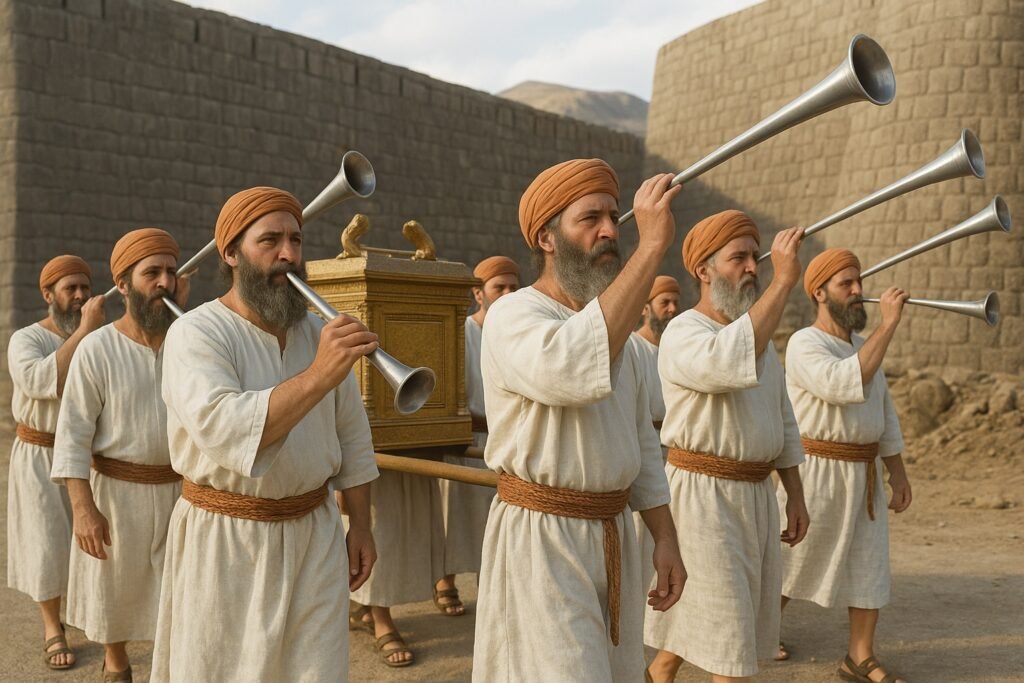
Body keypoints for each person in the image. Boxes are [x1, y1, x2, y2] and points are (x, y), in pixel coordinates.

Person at [152, 187, 379, 681]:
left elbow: (352, 436)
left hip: (315, 536)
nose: (290, 255)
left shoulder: (316, 334)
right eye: (270, 240)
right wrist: (320, 373)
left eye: (296, 240)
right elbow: (224, 426)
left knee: (313, 670)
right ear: (231, 253)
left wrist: (359, 524)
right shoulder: (196, 333)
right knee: (225, 669)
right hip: (226, 543)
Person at [473, 159, 686, 682]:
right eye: (590, 218)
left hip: (613, 536)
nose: (610, 230)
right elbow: (567, 369)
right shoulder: (513, 314)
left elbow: (640, 444)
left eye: (615, 216)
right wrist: (652, 248)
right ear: (547, 237)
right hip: (542, 542)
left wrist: (665, 537)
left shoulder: (627, 347)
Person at [645, 210, 809, 682]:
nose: (754, 268)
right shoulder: (684, 331)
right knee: (730, 638)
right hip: (702, 499)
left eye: (756, 259)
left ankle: (658, 672)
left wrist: (793, 493)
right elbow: (723, 364)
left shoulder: (759, 339)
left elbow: (782, 416)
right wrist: (784, 284)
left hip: (756, 497)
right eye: (739, 258)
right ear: (704, 270)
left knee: (723, 618)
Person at [52, 228, 188, 681]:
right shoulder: (96, 348)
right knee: (114, 587)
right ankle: (117, 662)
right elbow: (72, 433)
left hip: (181, 493)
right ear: (124, 285)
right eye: (152, 273)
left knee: (181, 591)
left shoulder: (191, 343)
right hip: (114, 494)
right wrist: (82, 506)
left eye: (171, 272)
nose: (164, 282)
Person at [778, 248, 911, 683]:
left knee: (868, 564)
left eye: (859, 283)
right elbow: (843, 385)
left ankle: (859, 656)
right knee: (789, 563)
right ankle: (755, 632)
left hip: (864, 474)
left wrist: (897, 470)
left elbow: (883, 410)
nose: (858, 292)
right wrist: (889, 324)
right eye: (846, 285)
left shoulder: (862, 346)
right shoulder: (804, 342)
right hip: (816, 472)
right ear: (819, 292)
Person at [7, 254, 103, 671]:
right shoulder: (26, 339)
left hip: (84, 455)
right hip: (38, 454)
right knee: (46, 545)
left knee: (88, 543)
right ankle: (52, 627)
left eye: (85, 288)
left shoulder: (96, 337)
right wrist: (85, 330)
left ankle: (85, 612)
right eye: (71, 289)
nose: (80, 296)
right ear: (48, 295)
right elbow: (45, 380)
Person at [433, 255, 520, 616]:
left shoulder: (519, 334)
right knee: (454, 516)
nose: (508, 294)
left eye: (514, 288)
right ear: (478, 293)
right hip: (467, 438)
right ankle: (445, 580)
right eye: (500, 287)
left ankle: (493, 592)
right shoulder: (461, 331)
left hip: (505, 440)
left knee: (494, 521)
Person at [627, 274, 680, 591]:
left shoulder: (677, 347)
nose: (672, 309)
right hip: (645, 455)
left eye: (676, 302)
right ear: (647, 307)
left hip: (672, 457)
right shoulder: (633, 346)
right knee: (638, 542)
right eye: (665, 303)